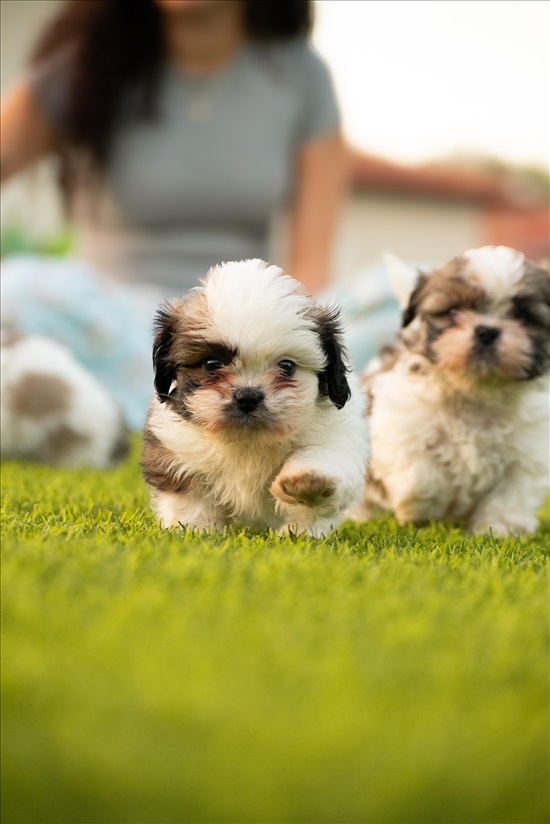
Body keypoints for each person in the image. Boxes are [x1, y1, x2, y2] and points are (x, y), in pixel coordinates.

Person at [1, 0, 347, 428]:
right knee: (13, 290)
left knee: (397, 299)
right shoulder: (90, 63)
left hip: (252, 339)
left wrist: (280, 351)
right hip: (108, 324)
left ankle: (104, 403)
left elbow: (312, 265)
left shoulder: (301, 75)